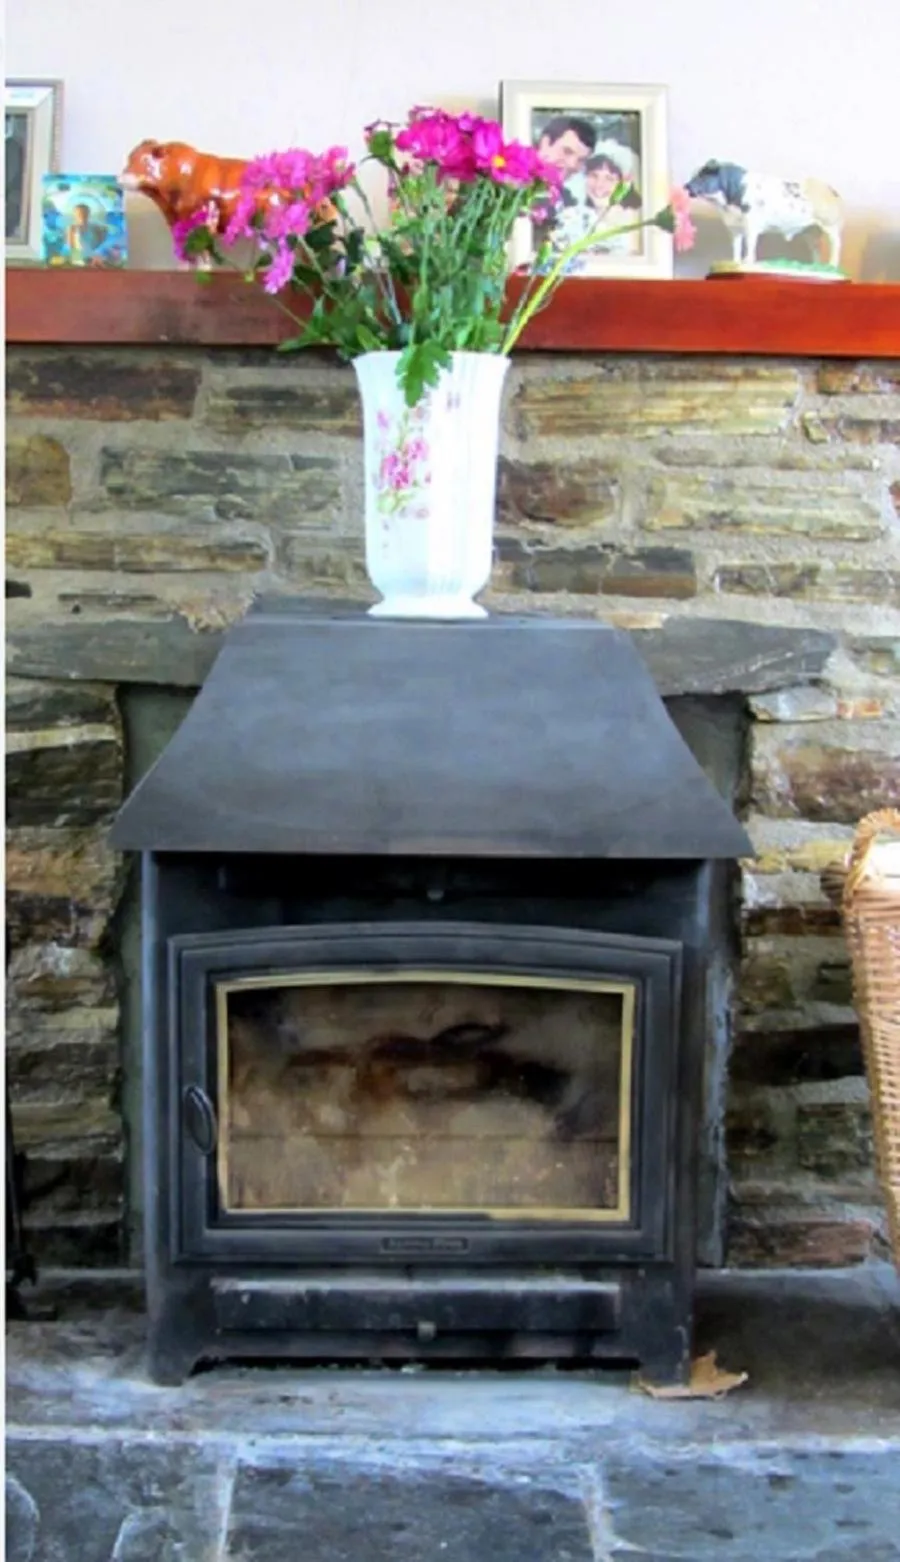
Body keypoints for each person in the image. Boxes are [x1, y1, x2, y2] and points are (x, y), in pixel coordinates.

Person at [535, 115, 597, 183]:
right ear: (545, 143)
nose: (572, 164)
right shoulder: (522, 185)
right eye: (567, 152)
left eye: (581, 160)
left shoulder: (564, 193)